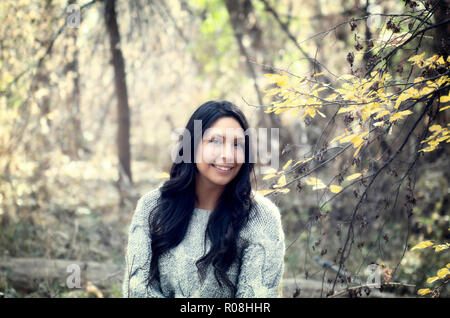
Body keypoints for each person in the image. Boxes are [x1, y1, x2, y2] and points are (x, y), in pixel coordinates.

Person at [122, 100, 285, 298]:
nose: (227, 155)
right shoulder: (152, 207)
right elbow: (137, 291)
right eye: (215, 141)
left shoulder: (261, 218)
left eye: (237, 144)